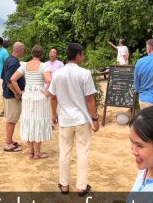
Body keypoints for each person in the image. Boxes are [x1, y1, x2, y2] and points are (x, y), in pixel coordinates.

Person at [48, 41, 99, 195]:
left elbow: (53, 97)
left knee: (64, 151)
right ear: (78, 56)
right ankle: (82, 187)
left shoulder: (57, 73)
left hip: (65, 119)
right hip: (82, 119)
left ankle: (64, 185)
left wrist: (54, 114)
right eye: (82, 54)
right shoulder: (84, 73)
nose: (82, 57)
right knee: (83, 151)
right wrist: (95, 119)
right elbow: (89, 99)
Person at [13, 44, 53, 159]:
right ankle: (37, 152)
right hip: (39, 96)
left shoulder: (25, 65)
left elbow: (13, 79)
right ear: (42, 54)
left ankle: (31, 151)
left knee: (29, 122)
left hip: (27, 96)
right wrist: (47, 93)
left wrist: (20, 92)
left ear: (31, 53)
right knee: (38, 122)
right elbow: (50, 80)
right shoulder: (43, 66)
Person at [2, 41, 26, 152]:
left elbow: (3, 76)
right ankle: (8, 143)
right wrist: (17, 93)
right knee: (12, 119)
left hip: (7, 94)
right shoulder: (14, 62)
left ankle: (10, 140)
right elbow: (8, 80)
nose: (24, 51)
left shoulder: (8, 59)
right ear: (19, 50)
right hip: (12, 96)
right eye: (23, 49)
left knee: (10, 119)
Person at [134, 39, 153, 109]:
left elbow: (136, 85)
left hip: (144, 100)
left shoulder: (139, 62)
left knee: (145, 120)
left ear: (149, 48)